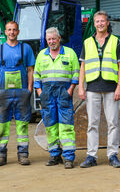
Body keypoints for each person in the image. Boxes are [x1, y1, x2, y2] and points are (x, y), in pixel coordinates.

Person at [78, 11, 120, 168]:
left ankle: (112, 155)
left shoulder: (115, 41)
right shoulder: (87, 42)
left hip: (111, 88)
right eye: (97, 21)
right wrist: (81, 87)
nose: (100, 24)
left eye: (102, 21)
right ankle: (91, 156)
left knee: (113, 123)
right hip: (92, 88)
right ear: (94, 23)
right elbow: (83, 66)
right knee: (92, 123)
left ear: (107, 23)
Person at [0, 21, 35, 166]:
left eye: (14, 30)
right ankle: (1, 155)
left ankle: (23, 154)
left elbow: (30, 70)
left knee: (22, 124)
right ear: (5, 32)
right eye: (9, 30)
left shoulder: (25, 49)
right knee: (3, 124)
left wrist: (29, 90)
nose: (12, 32)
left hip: (21, 93)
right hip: (4, 93)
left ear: (18, 32)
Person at [34, 27, 80, 169]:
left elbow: (76, 74)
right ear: (46, 41)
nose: (52, 41)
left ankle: (68, 157)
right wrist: (40, 92)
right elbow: (36, 76)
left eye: (54, 38)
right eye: (49, 39)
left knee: (66, 125)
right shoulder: (42, 55)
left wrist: (70, 90)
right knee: (50, 125)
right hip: (47, 93)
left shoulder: (70, 53)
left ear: (59, 39)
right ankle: (54, 155)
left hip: (64, 92)